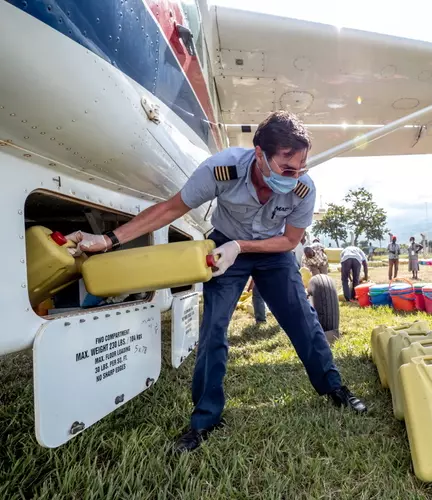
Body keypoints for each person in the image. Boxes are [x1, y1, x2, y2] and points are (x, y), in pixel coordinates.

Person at [64, 111, 367, 453]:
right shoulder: (222, 169)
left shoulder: (302, 189)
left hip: (272, 252)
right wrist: (108, 240)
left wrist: (243, 246)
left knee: (303, 320)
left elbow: (289, 240)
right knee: (213, 331)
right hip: (224, 248)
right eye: (286, 168)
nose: (294, 176)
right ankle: (205, 419)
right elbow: (171, 208)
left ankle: (333, 387)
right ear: (259, 154)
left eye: (300, 168)